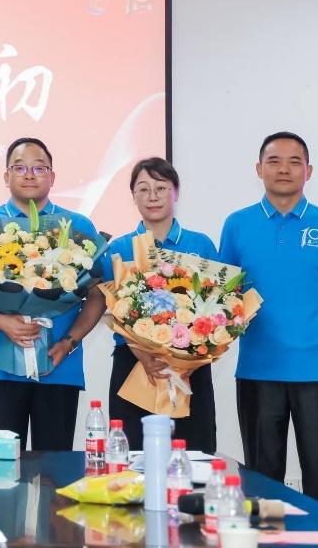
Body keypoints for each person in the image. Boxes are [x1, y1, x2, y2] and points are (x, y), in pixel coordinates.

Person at [220, 131, 318, 500]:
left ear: (308, 171)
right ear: (259, 169)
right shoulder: (237, 225)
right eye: (274, 161)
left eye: (294, 162)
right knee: (262, 483)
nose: (284, 169)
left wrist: (314, 333)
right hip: (257, 372)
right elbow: (225, 297)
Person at [0, 137, 103, 451]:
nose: (29, 174)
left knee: (55, 466)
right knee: (0, 462)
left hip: (58, 364)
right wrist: (0, 320)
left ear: (52, 176)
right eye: (19, 167)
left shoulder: (76, 225)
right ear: (6, 175)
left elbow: (97, 295)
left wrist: (70, 341)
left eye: (39, 168)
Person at [99, 157, 219, 452]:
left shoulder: (200, 245)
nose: (152, 196)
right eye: (143, 189)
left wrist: (187, 358)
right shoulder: (119, 248)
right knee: (132, 455)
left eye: (161, 188)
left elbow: (217, 307)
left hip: (190, 368)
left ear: (176, 192)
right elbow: (112, 308)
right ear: (133, 196)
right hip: (133, 362)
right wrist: (142, 354)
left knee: (194, 454)